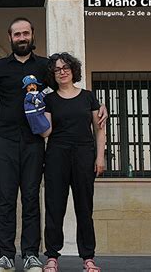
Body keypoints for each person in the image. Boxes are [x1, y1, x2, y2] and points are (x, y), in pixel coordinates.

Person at [0, 18, 108, 272]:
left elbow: (68, 93)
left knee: (32, 198)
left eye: (25, 33)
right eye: (16, 34)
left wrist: (97, 106)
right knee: (6, 198)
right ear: (10, 38)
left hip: (35, 141)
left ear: (32, 36)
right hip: (6, 139)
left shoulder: (46, 67)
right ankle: (6, 255)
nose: (21, 38)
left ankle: (32, 254)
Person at [41, 52, 106, 272]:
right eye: (57, 69)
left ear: (73, 70)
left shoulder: (89, 97)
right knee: (54, 207)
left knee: (84, 208)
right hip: (56, 156)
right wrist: (33, 111)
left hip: (84, 156)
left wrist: (100, 157)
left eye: (65, 67)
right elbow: (46, 132)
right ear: (53, 74)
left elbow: (99, 129)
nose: (62, 72)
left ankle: (88, 258)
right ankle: (52, 257)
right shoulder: (49, 100)